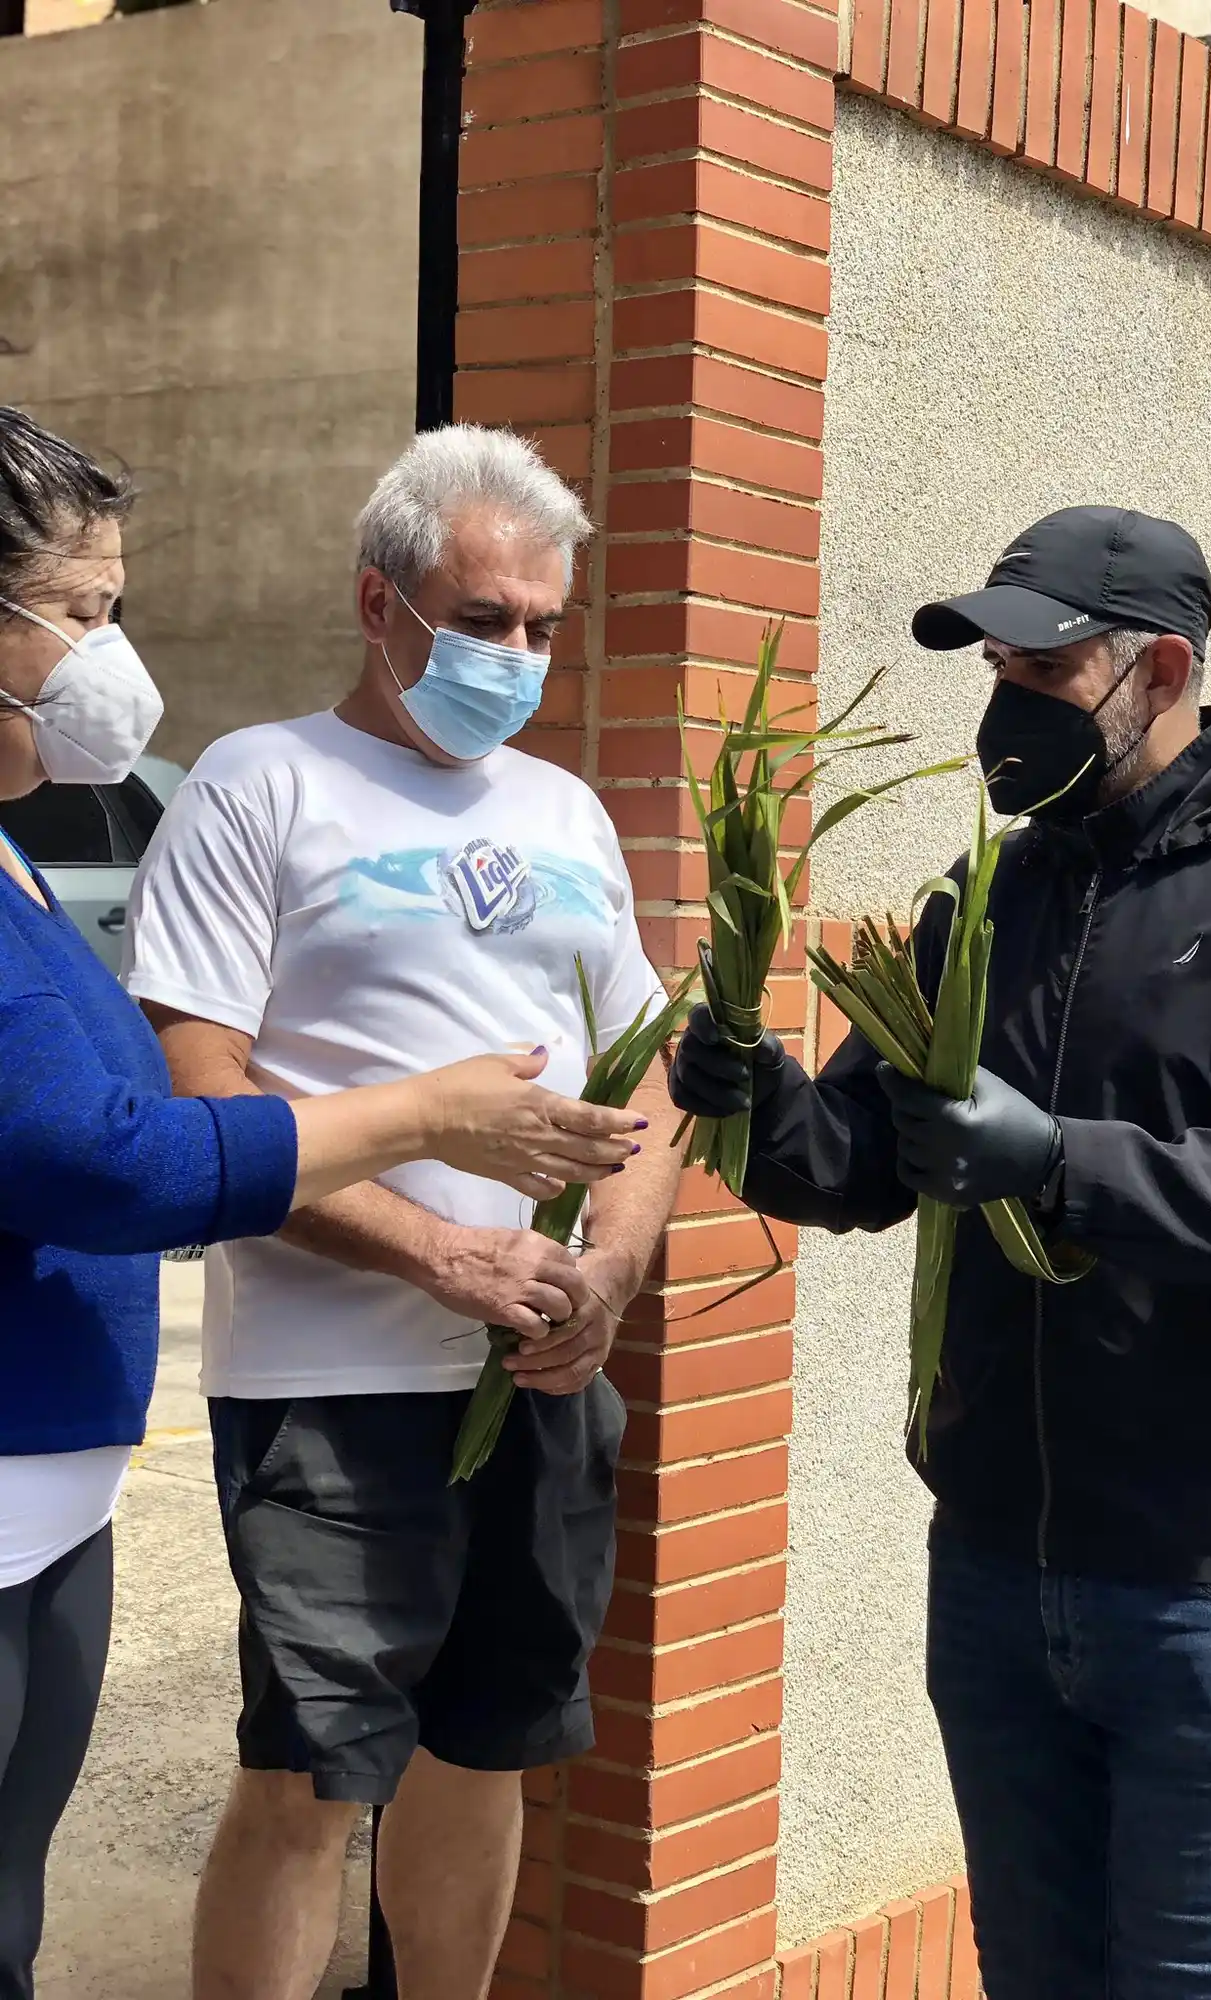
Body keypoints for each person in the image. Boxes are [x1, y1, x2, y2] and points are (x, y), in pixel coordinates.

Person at [669, 506, 1211, 1998]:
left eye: (1044, 668)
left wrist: (1066, 1163)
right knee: (1032, 1974)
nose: (1006, 707)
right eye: (995, 669)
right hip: (1006, 1571)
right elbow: (864, 1163)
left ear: (1160, 667)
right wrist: (756, 1104)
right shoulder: (995, 894)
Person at [0, 407, 645, 2000]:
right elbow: (192, 1106)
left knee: (483, 1749)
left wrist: (607, 1278)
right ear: (383, 602)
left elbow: (646, 1080)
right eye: (483, 619)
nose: (515, 656)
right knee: (309, 1777)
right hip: (331, 1384)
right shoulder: (261, 784)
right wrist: (440, 1249)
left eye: (542, 629)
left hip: (538, 1374)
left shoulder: (566, 817)